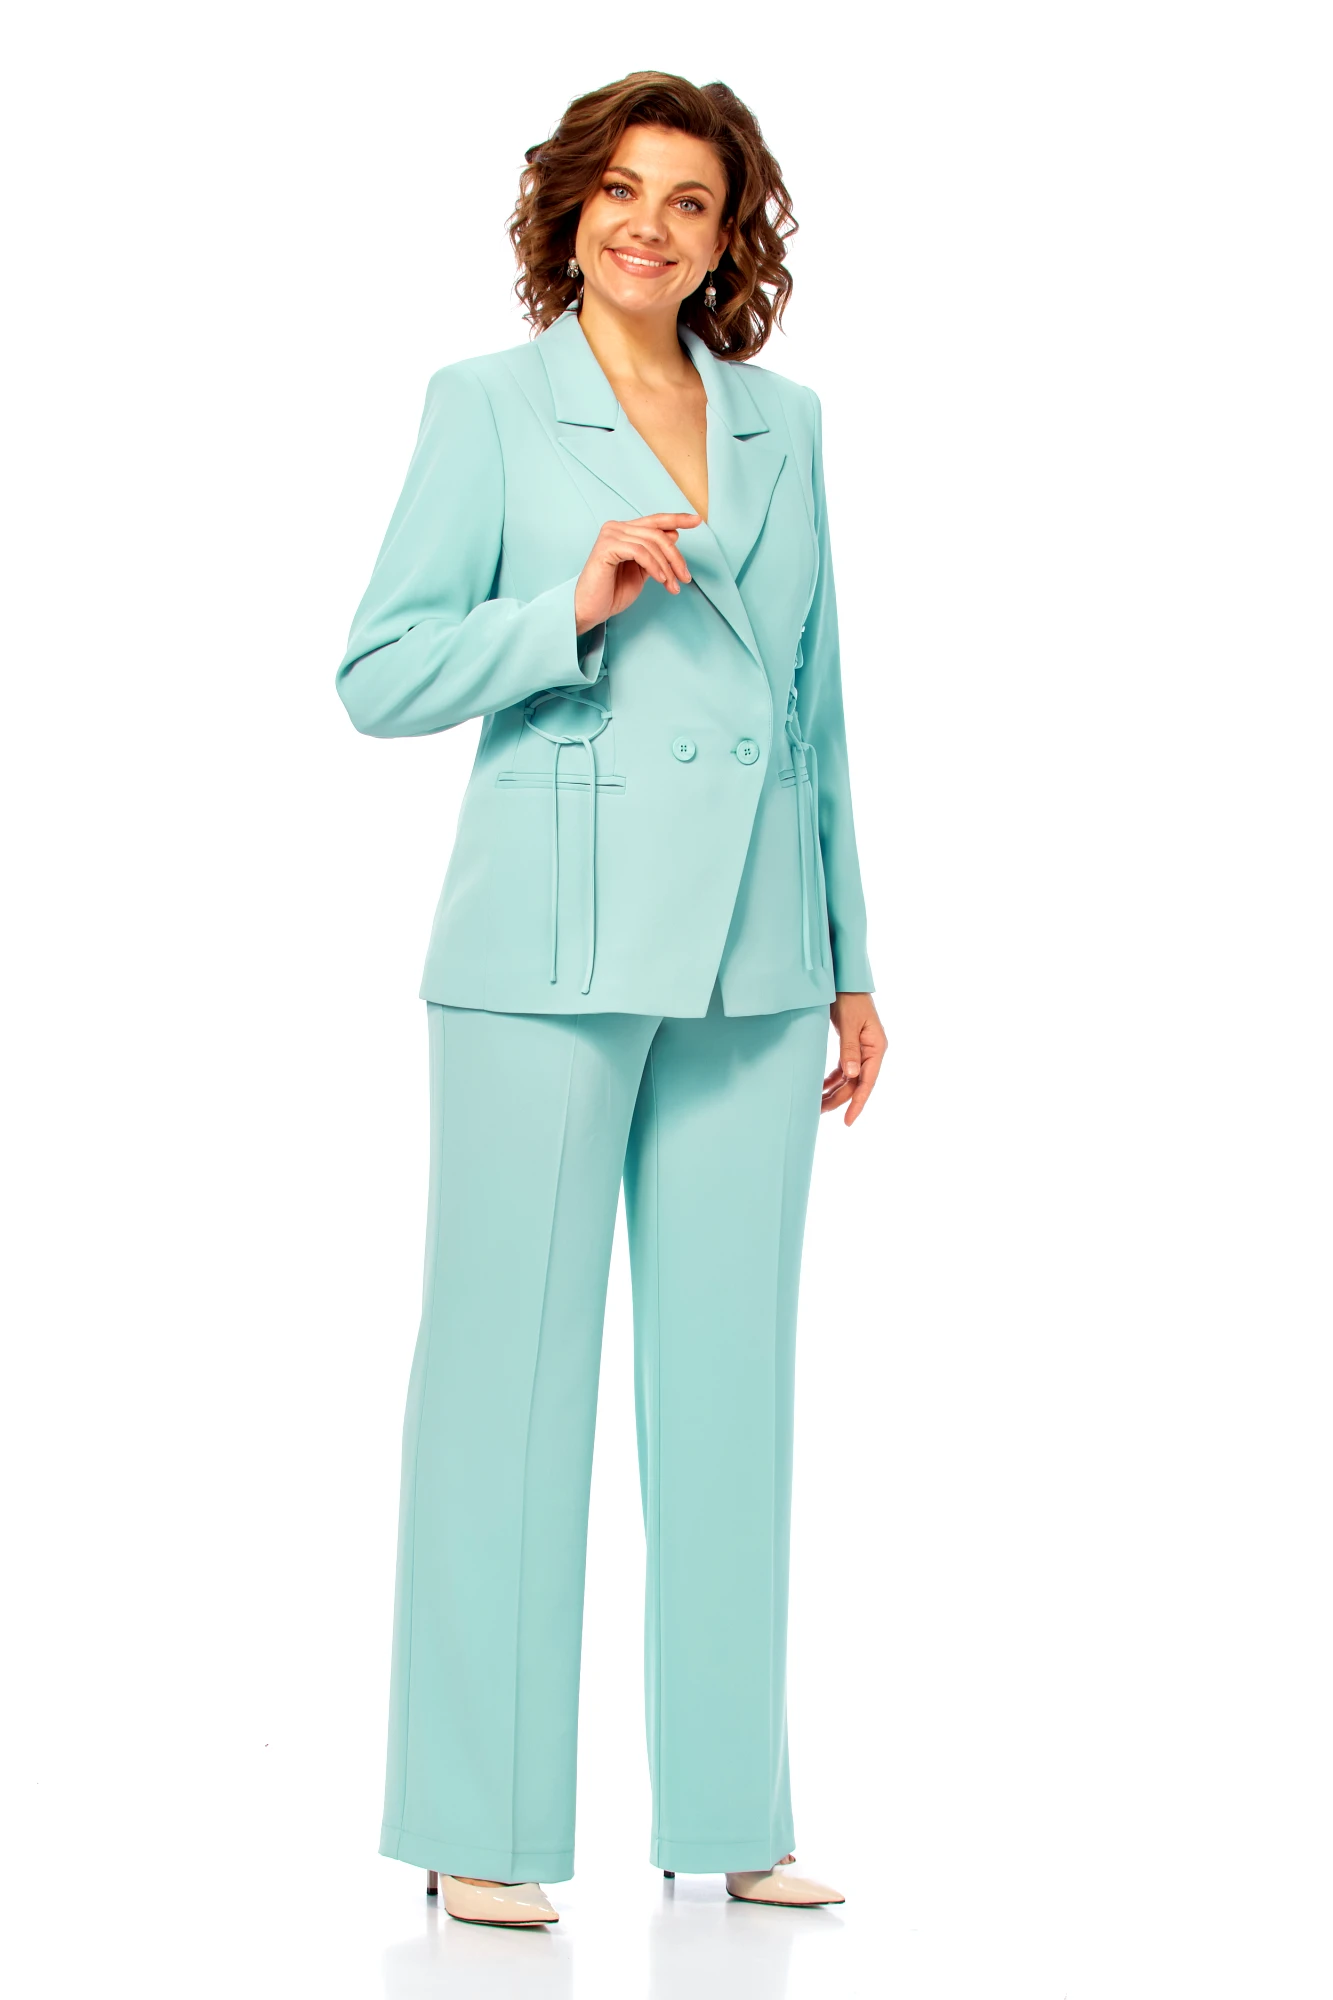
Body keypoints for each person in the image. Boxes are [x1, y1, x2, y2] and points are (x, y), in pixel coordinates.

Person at [335, 70, 885, 1929]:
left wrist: (851, 958)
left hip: (754, 958)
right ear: (570, 212)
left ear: (731, 240)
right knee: (505, 1385)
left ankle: (734, 1811)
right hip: (545, 957)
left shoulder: (789, 425)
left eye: (692, 201)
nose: (652, 225)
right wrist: (563, 610)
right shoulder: (487, 408)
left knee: (735, 1390)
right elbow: (380, 672)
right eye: (622, 191)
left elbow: (813, 708)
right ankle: (477, 1819)